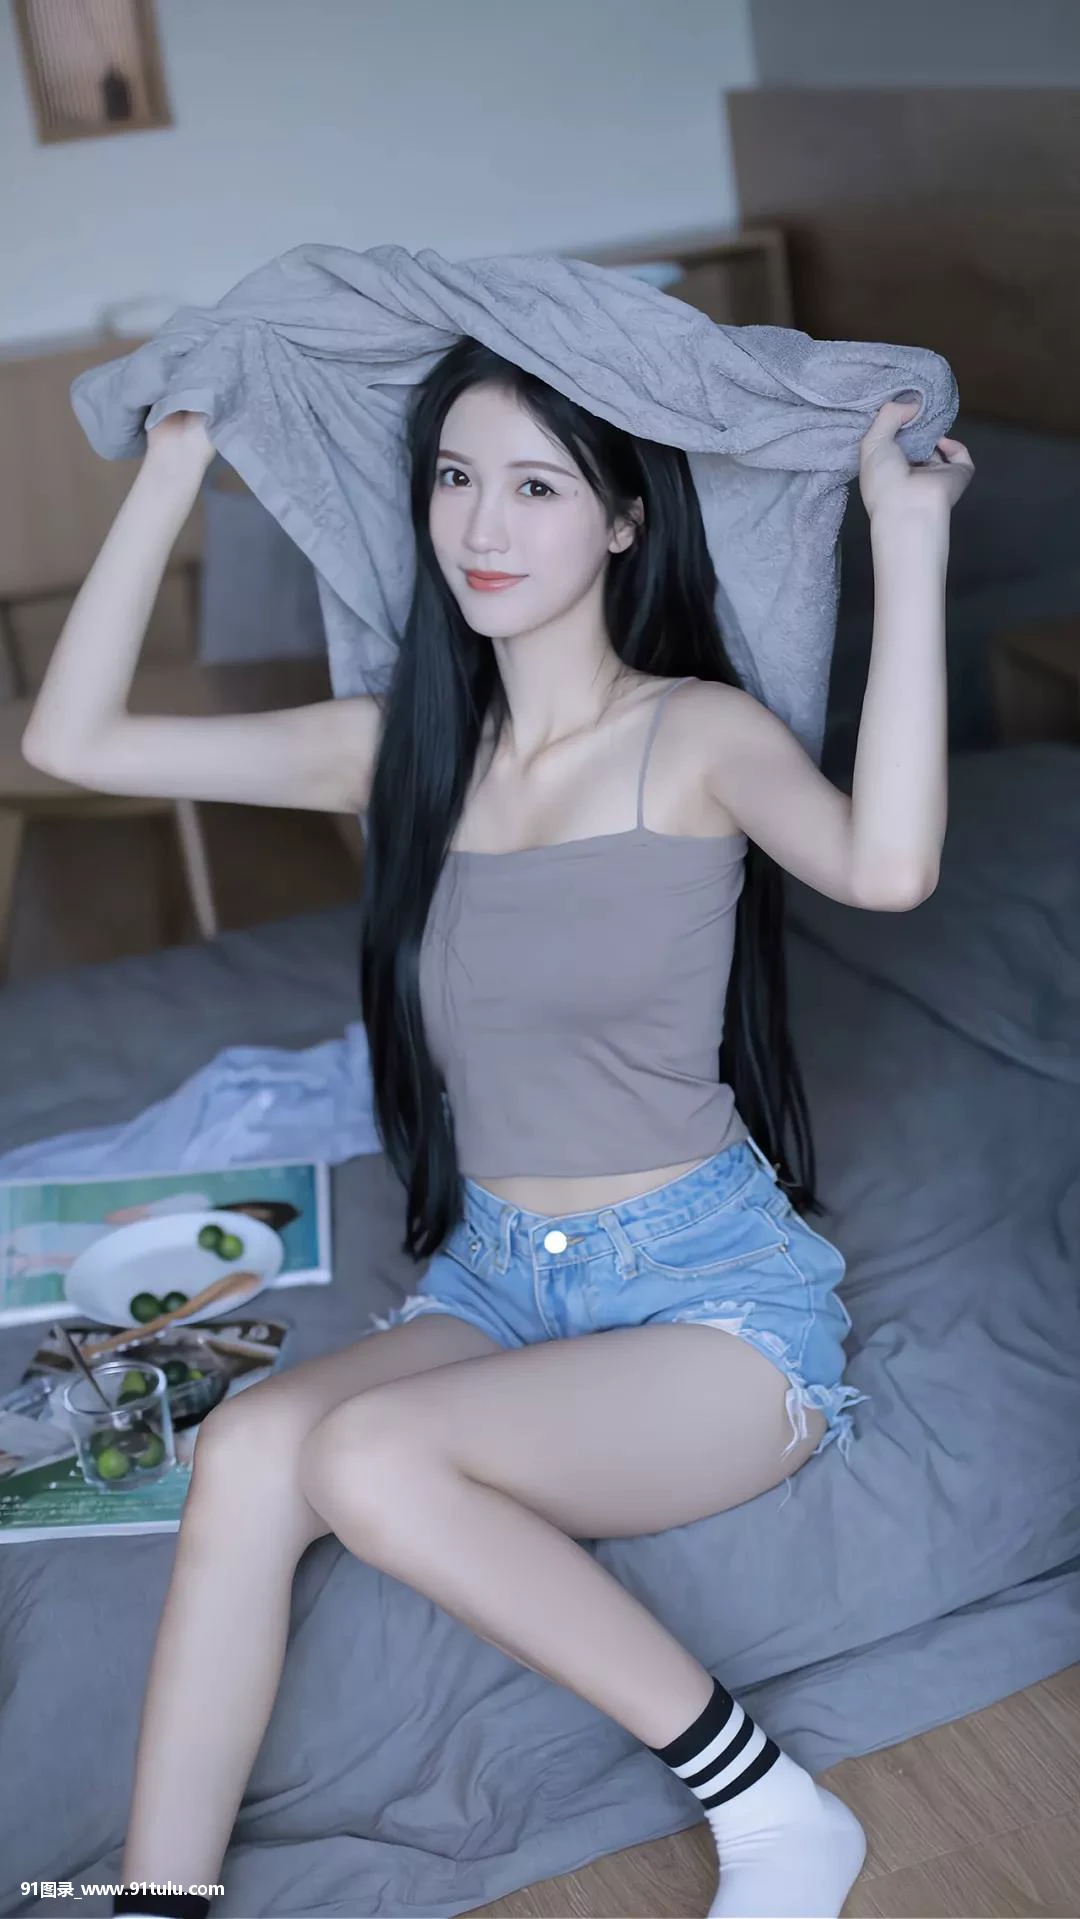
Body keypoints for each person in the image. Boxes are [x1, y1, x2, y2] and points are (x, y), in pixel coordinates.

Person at [21, 342, 972, 1919]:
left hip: (708, 1298)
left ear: (622, 521)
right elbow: (73, 744)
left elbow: (889, 868)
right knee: (248, 1449)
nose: (484, 523)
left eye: (538, 486)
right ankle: (155, 1898)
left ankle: (776, 1808)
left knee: (369, 1456)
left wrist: (911, 543)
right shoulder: (398, 750)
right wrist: (176, 460)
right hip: (496, 1276)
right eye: (457, 477)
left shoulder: (696, 734)